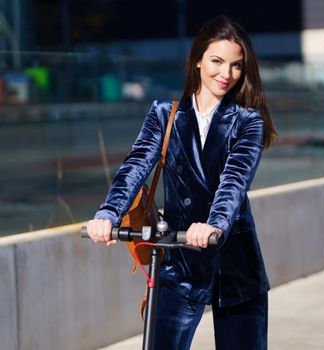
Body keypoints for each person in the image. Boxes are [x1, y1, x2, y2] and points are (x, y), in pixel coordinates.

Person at [86, 15, 277, 350]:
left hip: (234, 263)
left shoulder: (248, 121)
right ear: (198, 60)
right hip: (179, 258)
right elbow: (136, 166)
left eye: (236, 65)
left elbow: (234, 182)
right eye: (217, 61)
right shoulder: (165, 114)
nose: (226, 74)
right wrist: (108, 213)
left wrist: (214, 225)